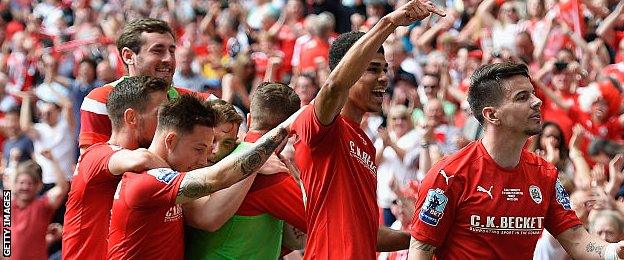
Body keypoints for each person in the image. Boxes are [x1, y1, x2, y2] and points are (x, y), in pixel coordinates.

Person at [407, 62, 624, 259]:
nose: (537, 101)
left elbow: (577, 240)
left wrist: (614, 252)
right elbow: (421, 249)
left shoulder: (544, 174)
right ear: (492, 115)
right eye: (522, 97)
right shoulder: (449, 174)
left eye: (533, 93)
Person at [289, 1, 445, 259]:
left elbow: (368, 233)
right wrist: (388, 23)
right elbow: (333, 88)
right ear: (347, 72)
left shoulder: (365, 143)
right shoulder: (321, 124)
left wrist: (426, 239)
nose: (384, 77)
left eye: (385, 69)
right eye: (372, 69)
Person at [107, 94, 293, 259]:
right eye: (199, 149)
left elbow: (209, 212)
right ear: (171, 140)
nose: (204, 160)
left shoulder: (169, 173)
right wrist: (269, 139)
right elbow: (213, 192)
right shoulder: (148, 181)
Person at [185, 82, 306, 259]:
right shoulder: (273, 173)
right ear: (291, 132)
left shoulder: (203, 158)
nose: (214, 150)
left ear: (249, 120)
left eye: (225, 141)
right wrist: (299, 183)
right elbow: (320, 220)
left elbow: (294, 240)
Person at [62, 76, 171, 260]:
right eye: (160, 115)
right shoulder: (95, 156)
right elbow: (142, 158)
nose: (167, 124)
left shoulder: (148, 166)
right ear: (131, 117)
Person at [79, 18, 211, 152]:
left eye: (171, 51)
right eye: (157, 51)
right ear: (128, 56)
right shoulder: (100, 100)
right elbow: (90, 165)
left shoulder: (200, 102)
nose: (169, 59)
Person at [10, 156, 69, 260]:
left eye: (29, 183)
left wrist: (53, 160)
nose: (25, 187)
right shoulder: (7, 205)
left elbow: (62, 187)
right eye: (21, 183)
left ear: (38, 186)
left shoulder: (42, 206)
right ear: (14, 185)